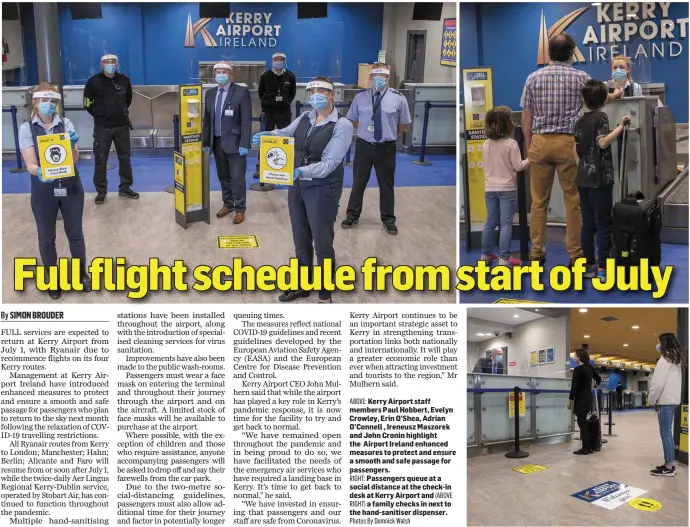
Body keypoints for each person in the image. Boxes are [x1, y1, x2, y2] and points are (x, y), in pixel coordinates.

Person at [252, 77, 354, 303]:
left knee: (322, 241)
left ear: (332, 95)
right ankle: (303, 285)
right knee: (300, 238)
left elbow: (329, 163)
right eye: (312, 91)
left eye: (320, 91)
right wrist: (268, 135)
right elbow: (285, 133)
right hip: (297, 186)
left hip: (323, 188)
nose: (315, 95)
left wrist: (300, 171)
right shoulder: (305, 117)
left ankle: (325, 293)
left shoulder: (342, 125)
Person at [520, 33, 590, 266]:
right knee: (572, 199)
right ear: (571, 54)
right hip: (567, 143)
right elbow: (599, 98)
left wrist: (529, 145)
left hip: (540, 142)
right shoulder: (581, 78)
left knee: (538, 201)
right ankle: (575, 254)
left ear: (549, 52)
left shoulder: (533, 78)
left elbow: (526, 117)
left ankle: (537, 253)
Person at [19, 84, 91, 300]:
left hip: (70, 186)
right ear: (35, 102)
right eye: (44, 101)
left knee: (75, 233)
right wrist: (39, 171)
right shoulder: (27, 129)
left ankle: (81, 274)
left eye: (52, 101)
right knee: (46, 236)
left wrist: (72, 146)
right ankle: (52, 277)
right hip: (43, 189)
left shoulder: (65, 124)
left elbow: (75, 159)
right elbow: (30, 163)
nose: (49, 105)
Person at [342, 63, 411, 235]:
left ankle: (388, 219)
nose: (379, 79)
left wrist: (388, 133)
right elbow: (353, 119)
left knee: (386, 184)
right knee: (358, 183)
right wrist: (366, 131)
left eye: (383, 76)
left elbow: (404, 124)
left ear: (388, 78)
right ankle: (352, 215)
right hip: (364, 145)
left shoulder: (398, 98)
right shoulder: (360, 97)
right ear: (371, 77)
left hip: (386, 147)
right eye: (376, 76)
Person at [575, 80, 631, 279]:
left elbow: (579, 149)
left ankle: (588, 264)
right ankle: (603, 267)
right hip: (600, 177)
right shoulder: (602, 117)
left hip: (582, 177)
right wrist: (620, 127)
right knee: (603, 222)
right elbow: (603, 142)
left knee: (587, 223)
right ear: (604, 100)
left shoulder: (580, 120)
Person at [83, 53, 138, 204]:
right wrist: (99, 115)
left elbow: (128, 99)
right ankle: (101, 191)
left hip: (122, 127)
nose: (110, 64)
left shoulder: (124, 80)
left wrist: (119, 113)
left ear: (117, 64)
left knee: (125, 158)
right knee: (101, 160)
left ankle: (125, 187)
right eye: (107, 62)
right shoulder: (93, 82)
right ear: (102, 65)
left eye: (113, 62)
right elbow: (87, 102)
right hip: (102, 128)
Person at [202, 62, 252, 224]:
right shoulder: (209, 94)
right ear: (214, 74)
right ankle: (228, 203)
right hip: (216, 143)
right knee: (223, 177)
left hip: (236, 143)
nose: (221, 74)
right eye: (218, 72)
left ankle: (240, 208)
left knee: (237, 177)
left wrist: (245, 143)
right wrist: (206, 143)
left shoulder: (241, 92)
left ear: (230, 75)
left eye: (224, 72)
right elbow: (207, 121)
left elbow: (246, 120)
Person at [480, 106, 529, 267]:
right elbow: (519, 165)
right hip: (507, 189)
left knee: (490, 222)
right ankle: (504, 258)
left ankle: (486, 254)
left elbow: (485, 166)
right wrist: (532, 158)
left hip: (489, 188)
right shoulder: (511, 144)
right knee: (506, 224)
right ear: (508, 124)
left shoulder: (486, 144)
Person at [253, 52, 296, 179]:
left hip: (284, 113)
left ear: (284, 61)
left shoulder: (290, 76)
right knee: (265, 139)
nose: (278, 62)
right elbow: (261, 93)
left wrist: (284, 103)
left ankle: (285, 166)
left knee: (285, 139)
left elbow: (292, 93)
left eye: (281, 60)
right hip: (268, 113)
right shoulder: (265, 76)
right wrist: (268, 104)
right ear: (272, 61)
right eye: (276, 60)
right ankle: (260, 167)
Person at [648, 332, 685, 477]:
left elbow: (657, 384)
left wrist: (651, 400)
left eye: (659, 342)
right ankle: (668, 463)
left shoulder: (664, 360)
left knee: (665, 434)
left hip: (665, 401)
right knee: (667, 433)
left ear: (663, 343)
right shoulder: (676, 359)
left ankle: (669, 466)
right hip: (673, 400)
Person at [568, 348, 595, 455]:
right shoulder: (590, 368)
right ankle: (588, 447)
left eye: (575, 356)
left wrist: (570, 399)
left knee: (582, 424)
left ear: (579, 357)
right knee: (583, 423)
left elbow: (574, 387)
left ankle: (585, 448)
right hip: (588, 398)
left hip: (581, 399)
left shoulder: (578, 370)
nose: (574, 357)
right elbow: (598, 379)